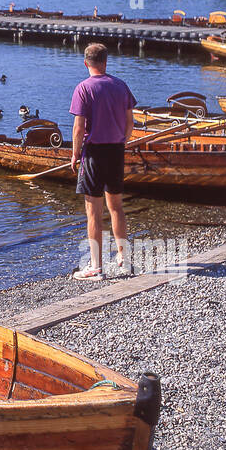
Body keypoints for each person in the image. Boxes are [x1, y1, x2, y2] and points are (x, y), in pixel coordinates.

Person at [69, 42, 136, 280]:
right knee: (116, 207)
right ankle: (123, 258)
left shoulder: (83, 88)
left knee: (93, 212)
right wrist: (122, 141)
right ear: (106, 62)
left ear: (86, 63)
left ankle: (96, 266)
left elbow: (78, 128)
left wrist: (76, 153)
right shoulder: (121, 86)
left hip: (94, 154)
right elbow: (131, 123)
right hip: (116, 151)